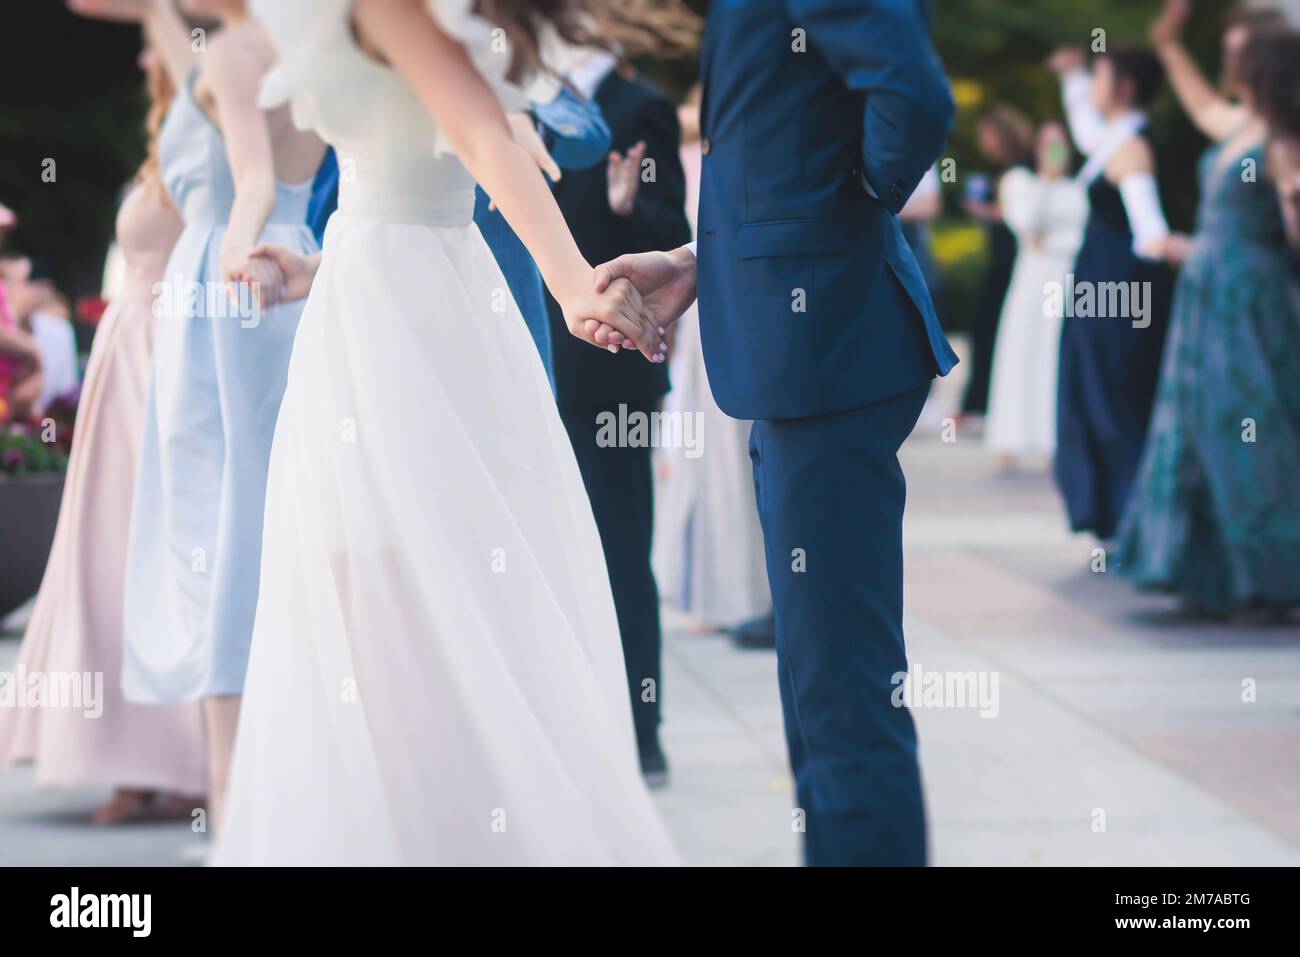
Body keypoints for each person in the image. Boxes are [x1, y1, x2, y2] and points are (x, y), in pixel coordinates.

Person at [212, 0, 677, 865]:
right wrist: (312, 265)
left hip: (408, 311)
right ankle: (410, 828)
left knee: (413, 580)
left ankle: (452, 833)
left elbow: (483, 143)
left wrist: (575, 284)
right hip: (368, 288)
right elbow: (398, 169)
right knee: (366, 585)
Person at [594, 0, 955, 866]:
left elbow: (914, 95)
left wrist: (845, 214)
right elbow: (789, 136)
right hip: (803, 351)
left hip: (829, 345)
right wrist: (693, 262)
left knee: (843, 696)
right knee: (819, 687)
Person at [72, 0, 326, 837]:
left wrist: (229, 247)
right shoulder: (317, 48)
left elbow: (249, 180)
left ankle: (234, 794)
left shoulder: (231, 56)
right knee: (259, 511)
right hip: (286, 276)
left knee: (222, 523)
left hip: (228, 289)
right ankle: (262, 780)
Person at [0, 46, 207, 823]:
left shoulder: (208, 141)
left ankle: (180, 754)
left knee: (151, 547)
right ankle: (130, 755)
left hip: (164, 354)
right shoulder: (161, 150)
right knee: (107, 551)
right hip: (127, 363)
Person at [543, 32, 695, 784]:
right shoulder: (528, 100)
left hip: (610, 370)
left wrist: (628, 207)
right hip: (535, 356)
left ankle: (641, 731)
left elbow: (675, 239)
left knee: (619, 549)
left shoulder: (643, 108)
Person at [1115, 7, 1300, 617]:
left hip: (1250, 302)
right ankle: (1209, 571)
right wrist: (1167, 44)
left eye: (1240, 53)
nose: (1229, 63)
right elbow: (1201, 106)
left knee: (1252, 424)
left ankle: (1272, 574)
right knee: (1199, 425)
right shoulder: (1243, 127)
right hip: (1210, 292)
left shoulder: (1283, 139)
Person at [652, 83, 772, 644]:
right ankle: (713, 592)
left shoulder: (732, 152)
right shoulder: (692, 153)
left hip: (723, 304)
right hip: (697, 303)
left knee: (728, 457)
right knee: (701, 457)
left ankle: (747, 595)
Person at [1049, 43, 1173, 541]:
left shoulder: (1131, 148)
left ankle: (1132, 523)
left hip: (1117, 289)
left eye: (1098, 78)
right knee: (1094, 393)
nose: (1092, 88)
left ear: (1123, 87)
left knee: (1112, 397)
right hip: (1100, 284)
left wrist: (1169, 244)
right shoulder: (1113, 138)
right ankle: (1115, 519)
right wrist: (1072, 75)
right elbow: (1083, 127)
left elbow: (1149, 229)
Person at [984, 122, 1088, 463]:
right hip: (1033, 278)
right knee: (1023, 352)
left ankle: (1053, 438)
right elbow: (1025, 223)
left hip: (1066, 276)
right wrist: (1046, 180)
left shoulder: (1080, 188)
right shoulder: (1021, 183)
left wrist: (1053, 242)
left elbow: (1082, 237)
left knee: (1055, 355)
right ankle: (1011, 436)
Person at [959, 106, 1035, 425]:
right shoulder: (1005, 170)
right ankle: (979, 402)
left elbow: (1021, 213)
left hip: (1013, 262)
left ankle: (979, 404)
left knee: (990, 329)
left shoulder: (1021, 170)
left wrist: (987, 213)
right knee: (988, 330)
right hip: (1004, 259)